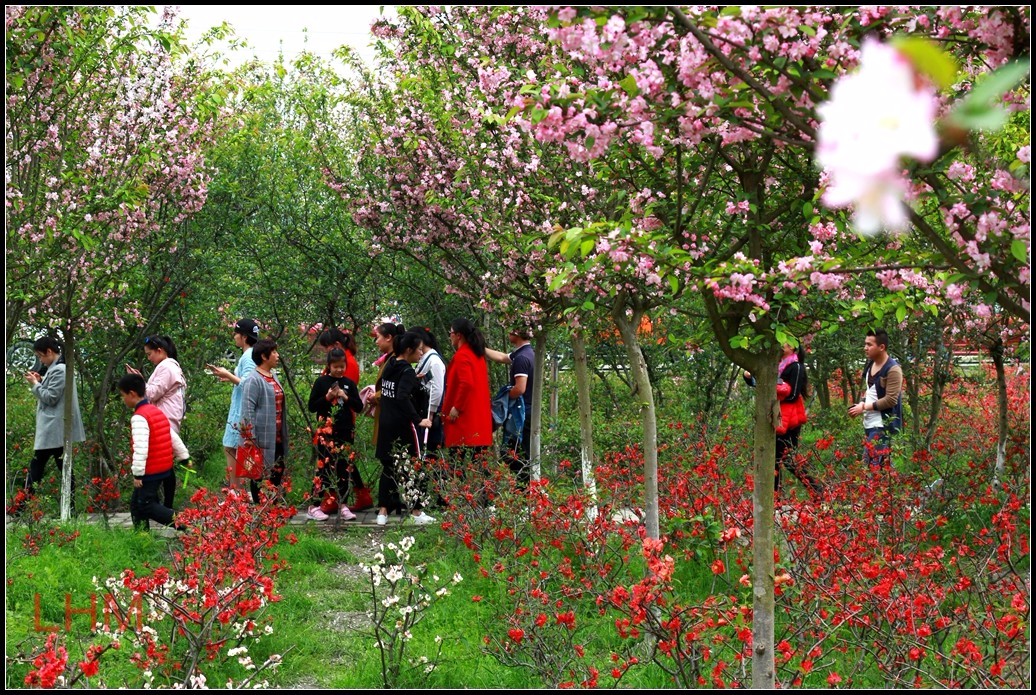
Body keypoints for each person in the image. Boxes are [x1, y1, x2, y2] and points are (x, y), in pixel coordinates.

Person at [744, 343, 822, 496]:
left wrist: (774, 389)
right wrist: (750, 378)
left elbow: (792, 395)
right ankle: (776, 497)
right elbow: (764, 385)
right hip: (776, 416)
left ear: (793, 347)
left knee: (787, 459)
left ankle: (816, 490)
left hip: (789, 420)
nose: (780, 346)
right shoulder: (776, 365)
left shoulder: (796, 367)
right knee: (776, 459)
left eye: (784, 343)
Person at [374, 332, 435, 526]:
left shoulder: (390, 364)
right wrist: (418, 419)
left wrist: (413, 380)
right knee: (411, 467)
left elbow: (392, 390)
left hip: (385, 422)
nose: (420, 354)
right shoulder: (407, 371)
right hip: (401, 426)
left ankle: (382, 512)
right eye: (418, 349)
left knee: (388, 467)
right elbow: (402, 396)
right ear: (409, 350)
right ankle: (416, 512)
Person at [117, 373, 190, 531]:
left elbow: (140, 447)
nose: (123, 400)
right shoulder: (155, 411)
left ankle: (185, 523)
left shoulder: (139, 417)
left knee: (146, 504)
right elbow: (171, 435)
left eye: (123, 396)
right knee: (137, 504)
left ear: (132, 394)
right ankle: (142, 537)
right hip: (164, 468)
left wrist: (138, 474)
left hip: (151, 470)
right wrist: (184, 456)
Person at [23, 336, 86, 509]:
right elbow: (53, 390)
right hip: (55, 429)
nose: (41, 360)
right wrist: (42, 380)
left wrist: (35, 384)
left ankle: (21, 506)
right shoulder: (56, 369)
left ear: (49, 352)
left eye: (41, 356)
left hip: (54, 428)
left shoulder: (60, 369)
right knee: (61, 468)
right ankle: (69, 507)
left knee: (39, 467)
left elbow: (50, 397)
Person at [126, 335, 186, 508]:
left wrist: (137, 382)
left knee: (163, 463)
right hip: (165, 417)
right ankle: (162, 505)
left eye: (149, 354)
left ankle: (161, 506)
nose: (149, 358)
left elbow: (151, 393)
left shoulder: (167, 367)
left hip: (164, 418)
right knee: (165, 462)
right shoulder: (166, 366)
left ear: (160, 351)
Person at [317, 327, 372, 510]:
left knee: (343, 461)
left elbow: (349, 394)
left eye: (326, 347)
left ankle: (352, 495)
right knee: (338, 460)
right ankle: (346, 496)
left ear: (336, 345)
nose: (325, 352)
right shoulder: (341, 360)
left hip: (342, 420)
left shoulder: (347, 363)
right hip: (330, 421)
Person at [306, 348, 364, 522]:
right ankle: (314, 505)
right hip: (326, 432)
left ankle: (343, 504)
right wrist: (327, 396)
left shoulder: (349, 383)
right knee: (323, 468)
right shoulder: (321, 382)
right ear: (329, 366)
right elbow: (312, 406)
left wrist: (345, 397)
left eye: (342, 366)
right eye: (335, 366)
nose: (339, 369)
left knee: (344, 468)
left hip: (345, 432)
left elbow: (359, 407)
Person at [207, 318, 259, 492]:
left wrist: (228, 375)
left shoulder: (249, 356)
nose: (234, 337)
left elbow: (249, 385)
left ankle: (236, 492)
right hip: (239, 408)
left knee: (232, 447)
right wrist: (228, 377)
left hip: (241, 411)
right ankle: (236, 491)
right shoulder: (250, 355)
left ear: (244, 337)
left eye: (236, 333)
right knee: (232, 447)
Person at [441, 318, 493, 481]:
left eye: (451, 333)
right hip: (479, 419)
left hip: (465, 420)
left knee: (456, 463)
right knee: (480, 463)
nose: (450, 337)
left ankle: (461, 501)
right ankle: (485, 501)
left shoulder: (462, 355)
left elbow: (467, 383)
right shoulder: (477, 354)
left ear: (458, 335)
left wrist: (457, 407)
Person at [240, 339, 289, 503]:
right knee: (258, 473)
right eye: (274, 352)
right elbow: (247, 409)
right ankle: (260, 508)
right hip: (260, 437)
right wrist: (249, 436)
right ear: (264, 356)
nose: (277, 355)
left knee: (277, 470)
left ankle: (272, 507)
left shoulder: (273, 376)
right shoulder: (253, 379)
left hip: (277, 435)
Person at [485, 326, 535, 487]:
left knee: (513, 455)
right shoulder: (526, 353)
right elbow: (501, 357)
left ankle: (523, 492)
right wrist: (480, 347)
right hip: (527, 412)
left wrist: (505, 398)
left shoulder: (521, 359)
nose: (508, 332)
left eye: (511, 329)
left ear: (518, 333)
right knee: (519, 454)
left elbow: (520, 388)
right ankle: (523, 493)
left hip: (521, 414)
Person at [848, 328, 904, 467]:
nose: (865, 348)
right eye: (865, 344)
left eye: (869, 345)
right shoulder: (871, 364)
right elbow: (870, 390)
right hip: (869, 423)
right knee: (881, 469)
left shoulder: (893, 369)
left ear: (881, 347)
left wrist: (864, 407)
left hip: (883, 425)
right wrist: (861, 403)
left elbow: (891, 399)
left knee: (870, 467)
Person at [412, 327, 446, 457]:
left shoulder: (434, 361)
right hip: (423, 411)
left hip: (430, 414)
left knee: (431, 453)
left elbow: (437, 389)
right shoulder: (425, 358)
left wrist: (431, 412)